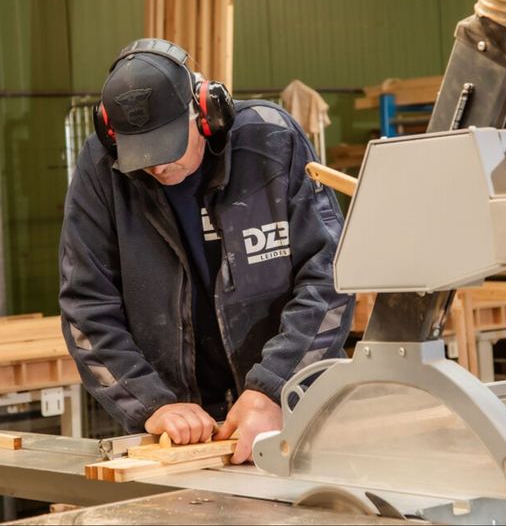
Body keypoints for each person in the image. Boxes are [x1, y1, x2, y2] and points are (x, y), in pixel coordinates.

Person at [59, 38, 354, 463]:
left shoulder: (270, 141)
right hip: (183, 439)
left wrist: (273, 388)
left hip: (292, 415)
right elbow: (86, 306)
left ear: (207, 112)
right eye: (141, 154)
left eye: (167, 146)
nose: (157, 166)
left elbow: (330, 276)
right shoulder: (102, 170)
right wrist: (152, 405)